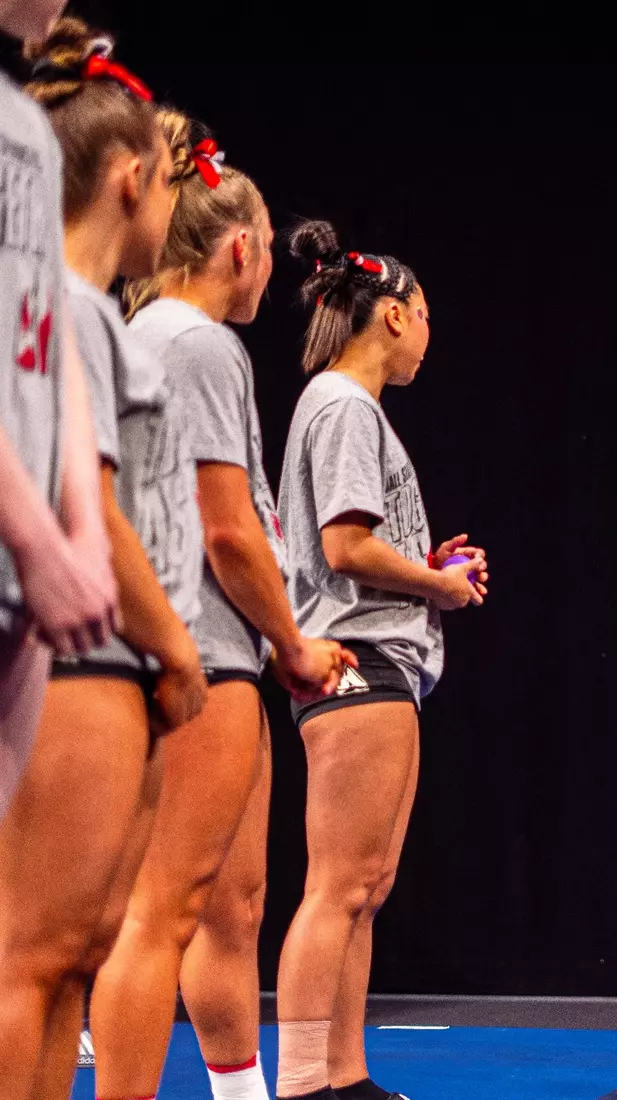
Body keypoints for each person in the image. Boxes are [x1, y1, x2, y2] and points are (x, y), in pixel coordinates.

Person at [90, 112, 352, 1100]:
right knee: (161, 910)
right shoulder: (195, 342)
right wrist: (295, 642)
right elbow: (227, 529)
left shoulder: (157, 336)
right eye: (268, 246)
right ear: (240, 246)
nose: (269, 270)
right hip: (195, 647)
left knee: (227, 902)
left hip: (207, 645)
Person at [0, 21, 204, 1100]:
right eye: (171, 185)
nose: (174, 210)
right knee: (33, 954)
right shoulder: (72, 310)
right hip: (86, 640)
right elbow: (99, 506)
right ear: (132, 178)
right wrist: (175, 645)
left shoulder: (89, 316)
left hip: (112, 650)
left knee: (73, 955)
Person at [274, 219, 484, 1100]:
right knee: (338, 885)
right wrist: (440, 585)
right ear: (394, 315)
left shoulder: (348, 408)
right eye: (426, 315)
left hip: (376, 656)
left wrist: (426, 568)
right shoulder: (345, 405)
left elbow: (355, 545)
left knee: (366, 885)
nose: (430, 336)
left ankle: (344, 1075)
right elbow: (346, 547)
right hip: (355, 658)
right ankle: (299, 1083)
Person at [0, 0, 119, 823]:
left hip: (23, 577)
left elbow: (52, 347)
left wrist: (81, 533)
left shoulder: (28, 132)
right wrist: (37, 538)